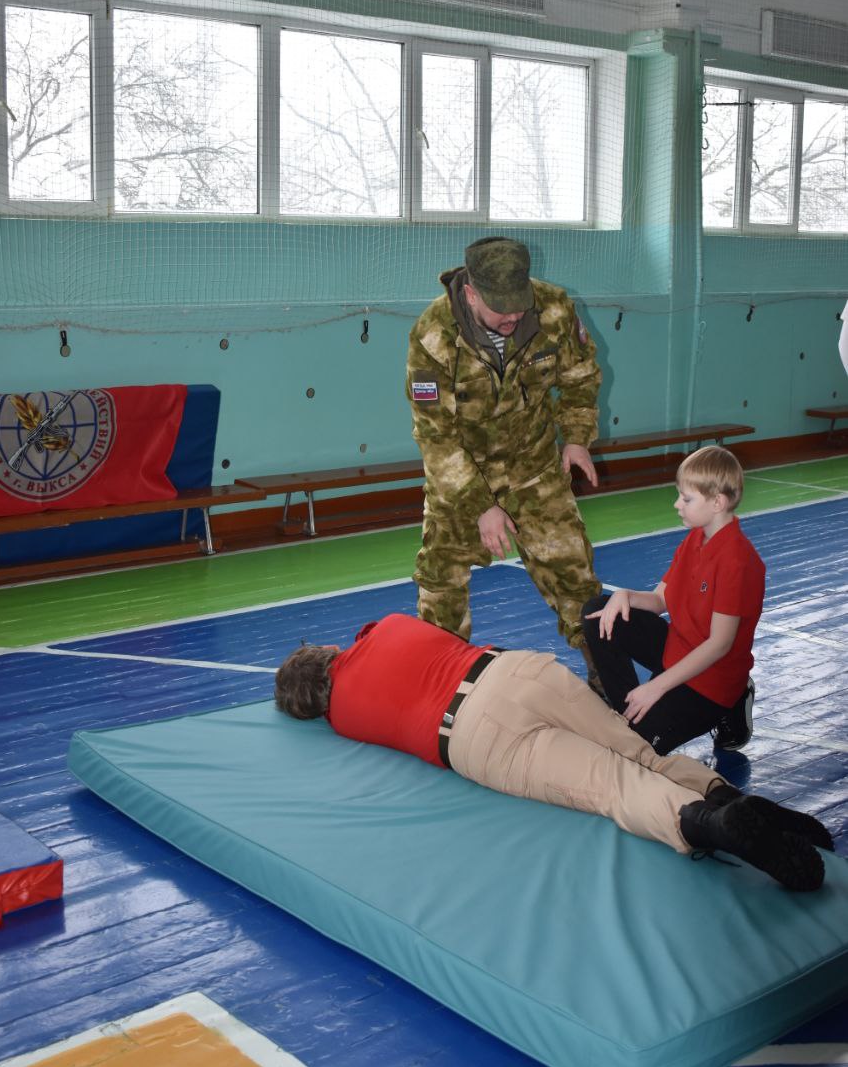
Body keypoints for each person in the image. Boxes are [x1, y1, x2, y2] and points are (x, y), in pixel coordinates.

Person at [274, 613, 832, 892]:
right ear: (326, 651)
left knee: (613, 786)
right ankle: (728, 796)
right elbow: (375, 634)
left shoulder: (341, 716)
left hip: (473, 734)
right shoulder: (387, 627)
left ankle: (713, 824)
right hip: (514, 670)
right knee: (640, 753)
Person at [406, 236, 602, 682]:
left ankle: (605, 674)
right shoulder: (434, 334)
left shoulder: (554, 309)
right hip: (462, 477)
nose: (513, 316)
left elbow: (580, 377)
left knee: (574, 575)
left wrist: (576, 439)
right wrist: (481, 505)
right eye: (501, 308)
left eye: (519, 304)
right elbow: (436, 437)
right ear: (471, 293)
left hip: (533, 468)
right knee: (441, 584)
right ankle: (439, 684)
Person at [582, 446, 763, 756]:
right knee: (599, 611)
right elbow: (659, 600)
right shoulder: (695, 538)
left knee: (635, 751)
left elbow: (719, 645)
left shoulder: (737, 561)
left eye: (686, 499)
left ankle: (733, 701)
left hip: (712, 679)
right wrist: (624, 595)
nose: (677, 504)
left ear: (717, 502)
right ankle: (630, 713)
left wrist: (657, 686)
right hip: (679, 651)